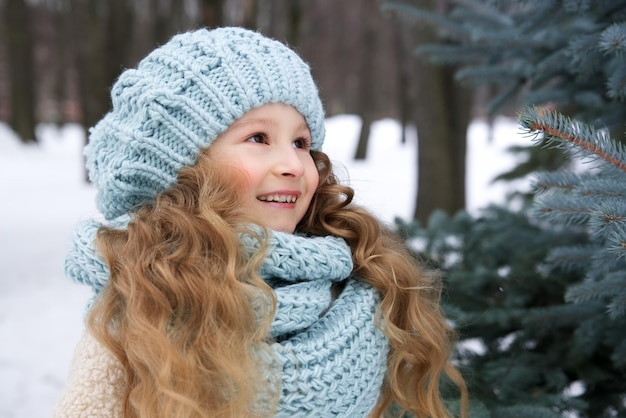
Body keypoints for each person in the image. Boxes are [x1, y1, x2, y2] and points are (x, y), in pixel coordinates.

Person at [53, 26, 467, 418]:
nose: (292, 164)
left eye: (301, 142)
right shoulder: (144, 311)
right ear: (183, 169)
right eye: (258, 139)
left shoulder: (362, 292)